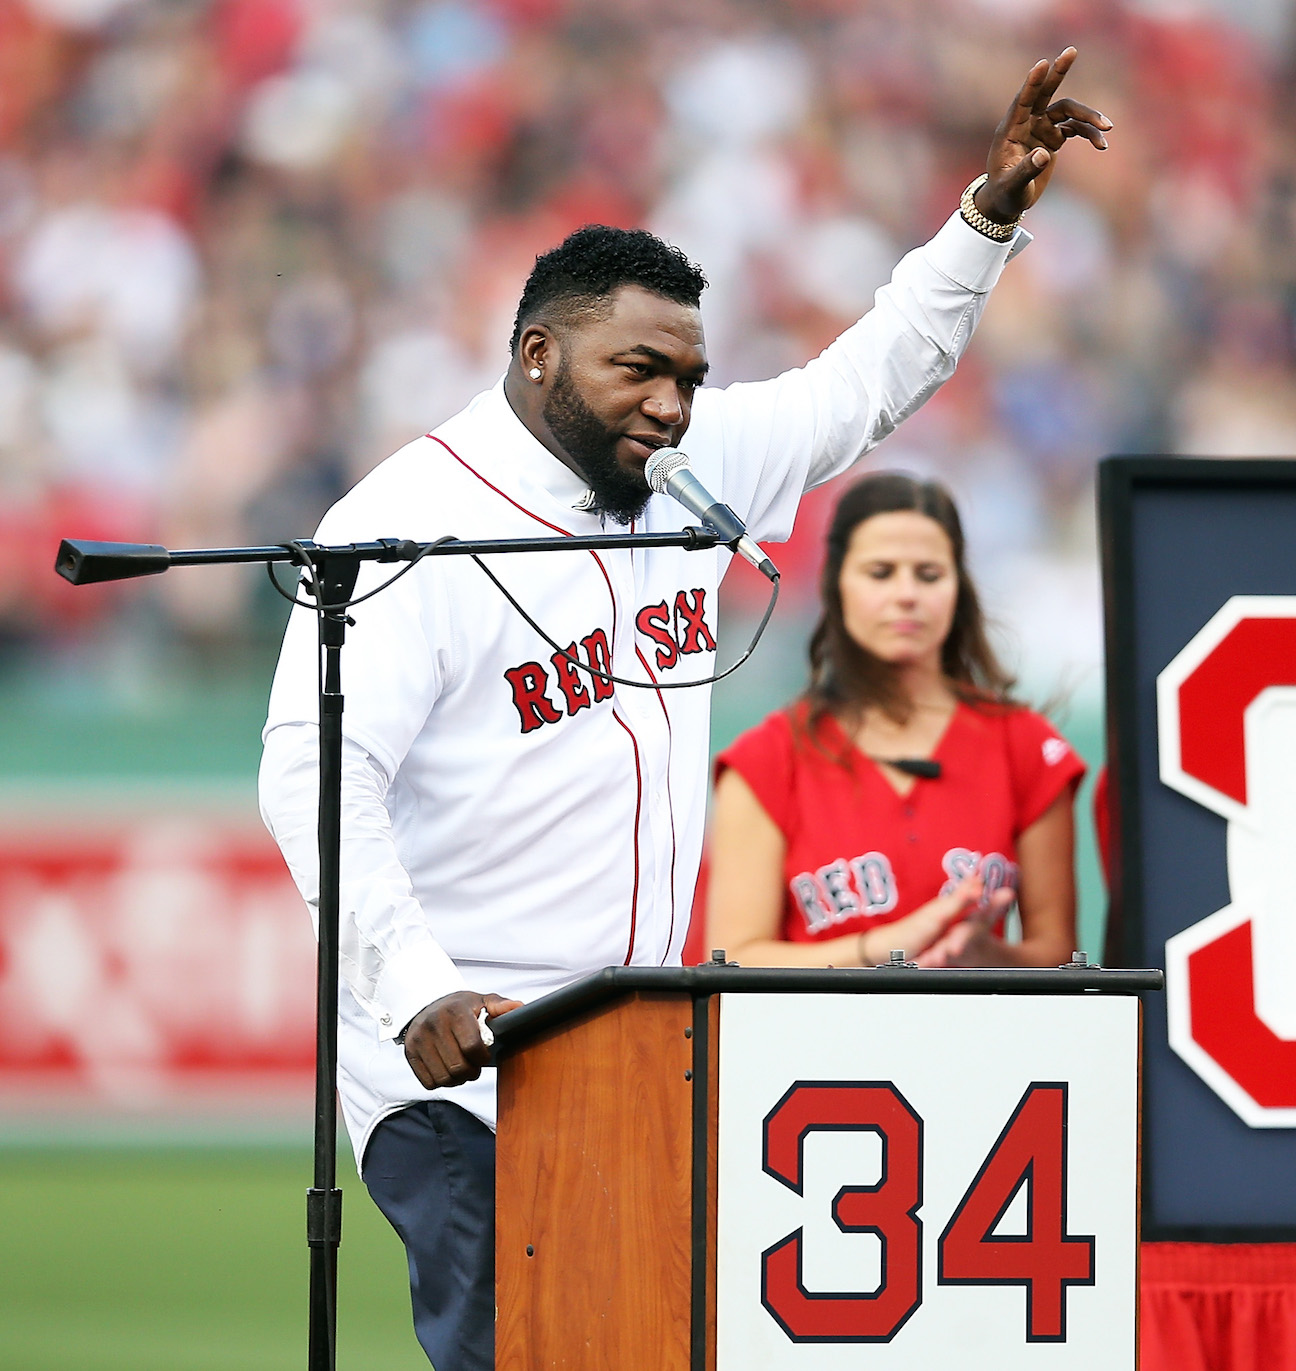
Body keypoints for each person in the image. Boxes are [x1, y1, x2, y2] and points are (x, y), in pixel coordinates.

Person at [257, 52, 1110, 1371]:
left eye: (690, 375)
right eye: (637, 369)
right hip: (465, 1071)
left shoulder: (687, 469)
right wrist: (414, 981)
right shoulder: (403, 526)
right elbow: (316, 772)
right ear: (540, 353)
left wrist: (984, 220)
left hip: (638, 1047)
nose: (670, 401)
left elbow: (869, 379)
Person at [707, 473, 1085, 968]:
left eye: (929, 574)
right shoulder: (767, 760)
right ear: (837, 583)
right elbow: (731, 961)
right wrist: (884, 952)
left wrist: (987, 957)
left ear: (958, 587)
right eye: (881, 572)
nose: (907, 594)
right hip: (814, 1043)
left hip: (984, 1038)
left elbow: (1059, 955)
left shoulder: (1026, 747)